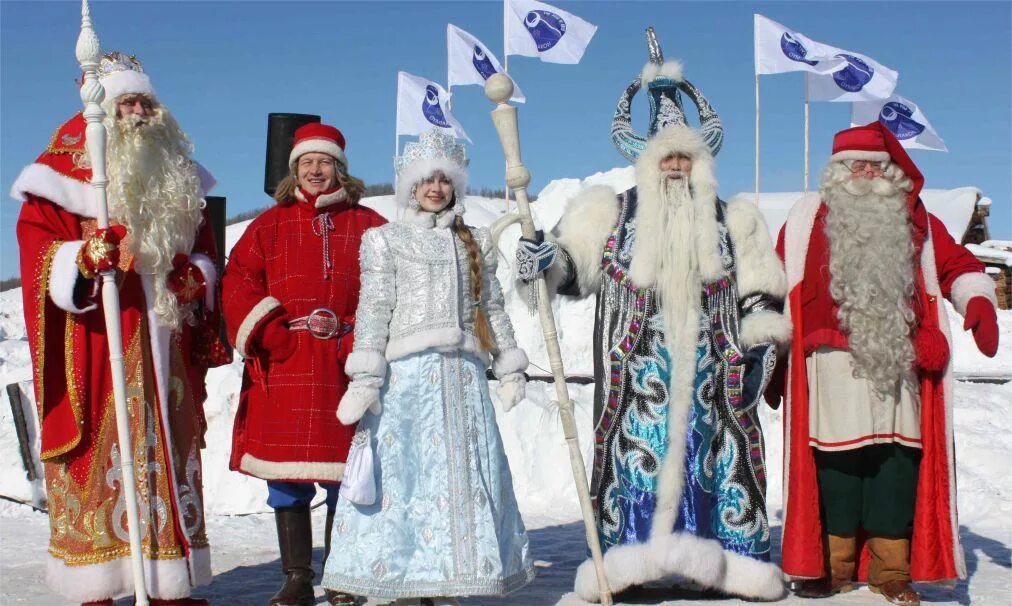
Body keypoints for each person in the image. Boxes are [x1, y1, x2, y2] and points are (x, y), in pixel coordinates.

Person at [518, 40, 791, 601]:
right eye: (666, 156)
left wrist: (758, 353)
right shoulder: (610, 212)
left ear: (700, 160)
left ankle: (720, 567)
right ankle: (629, 565)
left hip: (715, 373)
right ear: (646, 158)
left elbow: (761, 294)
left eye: (684, 157)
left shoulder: (734, 218)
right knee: (633, 468)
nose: (675, 165)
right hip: (636, 375)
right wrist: (545, 259)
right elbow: (573, 269)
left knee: (713, 465)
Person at [13, 51, 225, 606]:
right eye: (126, 101)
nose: (137, 111)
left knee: (170, 450)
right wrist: (83, 259)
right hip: (100, 339)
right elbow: (37, 252)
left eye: (144, 101)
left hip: (166, 336)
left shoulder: (177, 172)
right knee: (102, 452)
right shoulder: (59, 174)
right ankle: (101, 585)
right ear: (101, 110)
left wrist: (196, 276)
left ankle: (169, 581)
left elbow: (204, 248)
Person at [775, 122, 1000, 606]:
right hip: (830, 364)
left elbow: (958, 265)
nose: (865, 172)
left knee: (896, 464)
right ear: (835, 172)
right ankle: (831, 566)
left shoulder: (917, 219)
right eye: (854, 164)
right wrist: (764, 343)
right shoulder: (803, 219)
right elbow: (772, 283)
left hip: (900, 363)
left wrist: (975, 298)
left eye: (876, 165)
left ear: (892, 171)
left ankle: (891, 569)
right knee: (834, 465)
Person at [321, 129, 535, 605]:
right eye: (426, 181)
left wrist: (509, 363)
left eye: (444, 179)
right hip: (407, 380)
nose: (435, 188)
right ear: (410, 188)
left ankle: (450, 575)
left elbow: (491, 308)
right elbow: (376, 307)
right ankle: (400, 576)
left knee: (461, 476)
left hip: (461, 378)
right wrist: (367, 375)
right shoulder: (384, 240)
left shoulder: (474, 241)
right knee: (406, 478)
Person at [221, 122, 385, 606]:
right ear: (295, 170)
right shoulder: (266, 226)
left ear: (340, 168)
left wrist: (360, 337)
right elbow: (238, 281)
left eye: (325, 162)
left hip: (347, 364)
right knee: (287, 477)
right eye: (308, 163)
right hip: (287, 362)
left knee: (346, 474)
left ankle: (342, 573)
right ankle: (297, 578)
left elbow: (392, 286)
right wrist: (271, 334)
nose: (316, 170)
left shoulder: (371, 224)